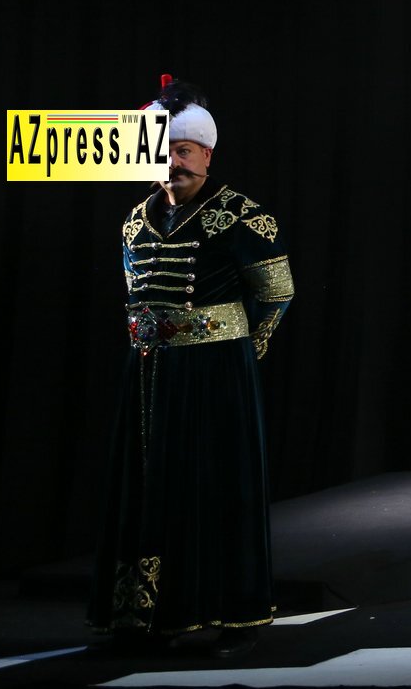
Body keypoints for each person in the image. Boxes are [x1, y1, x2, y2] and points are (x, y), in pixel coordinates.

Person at [88, 77, 294, 657]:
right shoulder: (136, 219)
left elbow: (276, 292)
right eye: (164, 152)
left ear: (206, 154)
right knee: (148, 487)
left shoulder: (241, 216)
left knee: (215, 485)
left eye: (183, 151)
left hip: (215, 371)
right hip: (148, 373)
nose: (173, 163)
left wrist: (241, 354)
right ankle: (148, 615)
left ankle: (233, 614)